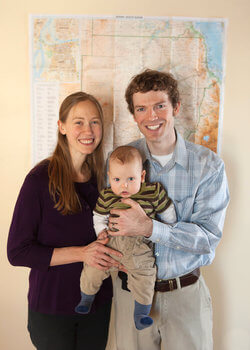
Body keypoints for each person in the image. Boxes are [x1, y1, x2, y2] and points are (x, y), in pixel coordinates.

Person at [108, 69, 230, 350]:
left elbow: (208, 237)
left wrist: (150, 228)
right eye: (142, 108)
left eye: (159, 105)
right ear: (134, 115)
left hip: (185, 295)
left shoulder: (209, 166)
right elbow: (110, 219)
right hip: (132, 295)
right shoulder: (120, 160)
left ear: (175, 107)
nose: (151, 116)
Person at [7, 91, 123, 350]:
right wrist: (83, 253)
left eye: (95, 121)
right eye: (78, 121)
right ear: (62, 127)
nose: (88, 130)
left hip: (98, 304)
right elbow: (17, 252)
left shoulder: (103, 181)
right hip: (52, 309)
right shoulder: (39, 180)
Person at [75, 145, 176, 331]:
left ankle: (141, 314)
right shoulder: (106, 195)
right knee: (93, 267)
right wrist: (101, 232)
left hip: (140, 246)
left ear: (142, 177)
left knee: (145, 275)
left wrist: (169, 225)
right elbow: (98, 217)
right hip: (112, 241)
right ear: (109, 177)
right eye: (117, 179)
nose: (124, 185)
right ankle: (86, 297)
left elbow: (167, 209)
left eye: (131, 179)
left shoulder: (152, 192)